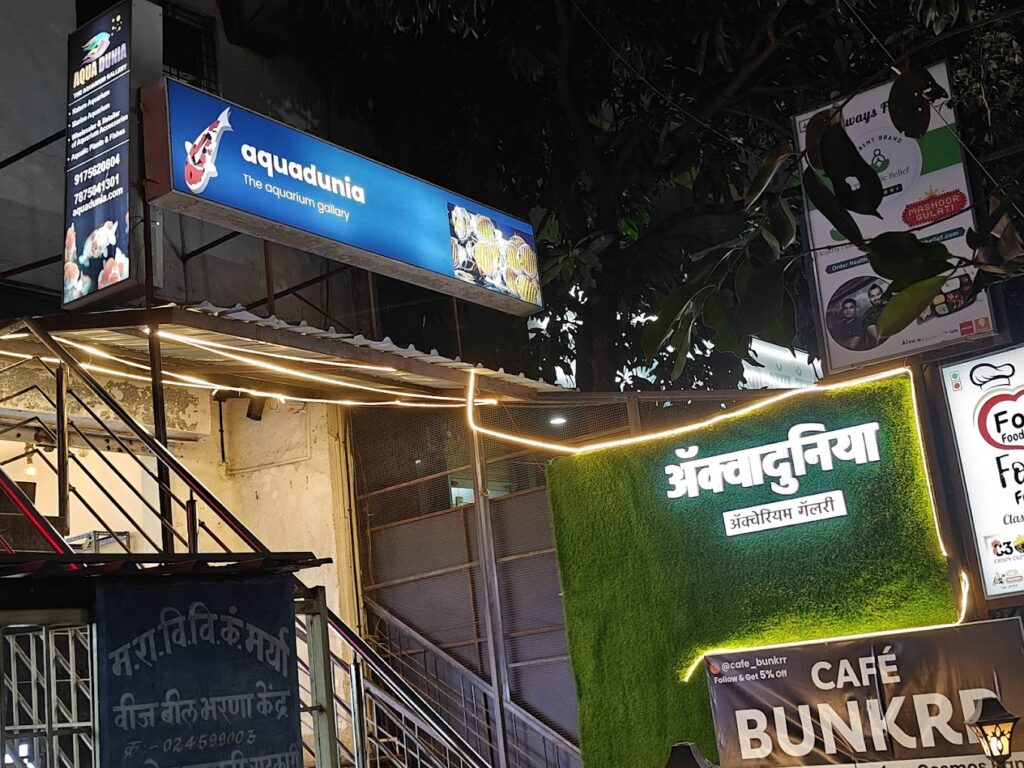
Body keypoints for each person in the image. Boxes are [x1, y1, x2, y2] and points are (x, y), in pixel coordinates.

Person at [862, 284, 885, 348]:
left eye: (878, 294)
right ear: (870, 299)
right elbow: (868, 324)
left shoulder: (891, 305)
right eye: (872, 296)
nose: (876, 298)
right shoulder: (868, 314)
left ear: (883, 294)